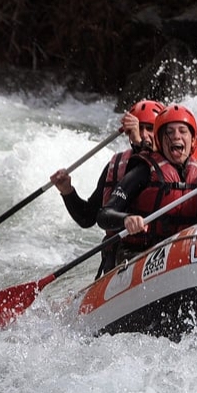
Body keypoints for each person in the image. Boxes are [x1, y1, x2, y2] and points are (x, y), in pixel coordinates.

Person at [97, 103, 197, 263]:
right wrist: (126, 219)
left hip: (185, 253)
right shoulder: (143, 170)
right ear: (159, 141)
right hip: (142, 255)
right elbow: (104, 215)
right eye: (169, 132)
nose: (176, 136)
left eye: (182, 131)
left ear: (193, 140)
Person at [50, 99, 164, 277]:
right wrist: (67, 191)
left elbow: (154, 166)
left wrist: (139, 141)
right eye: (139, 128)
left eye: (150, 128)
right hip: (122, 260)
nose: (144, 134)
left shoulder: (172, 165)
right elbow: (88, 217)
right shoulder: (117, 165)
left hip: (162, 255)